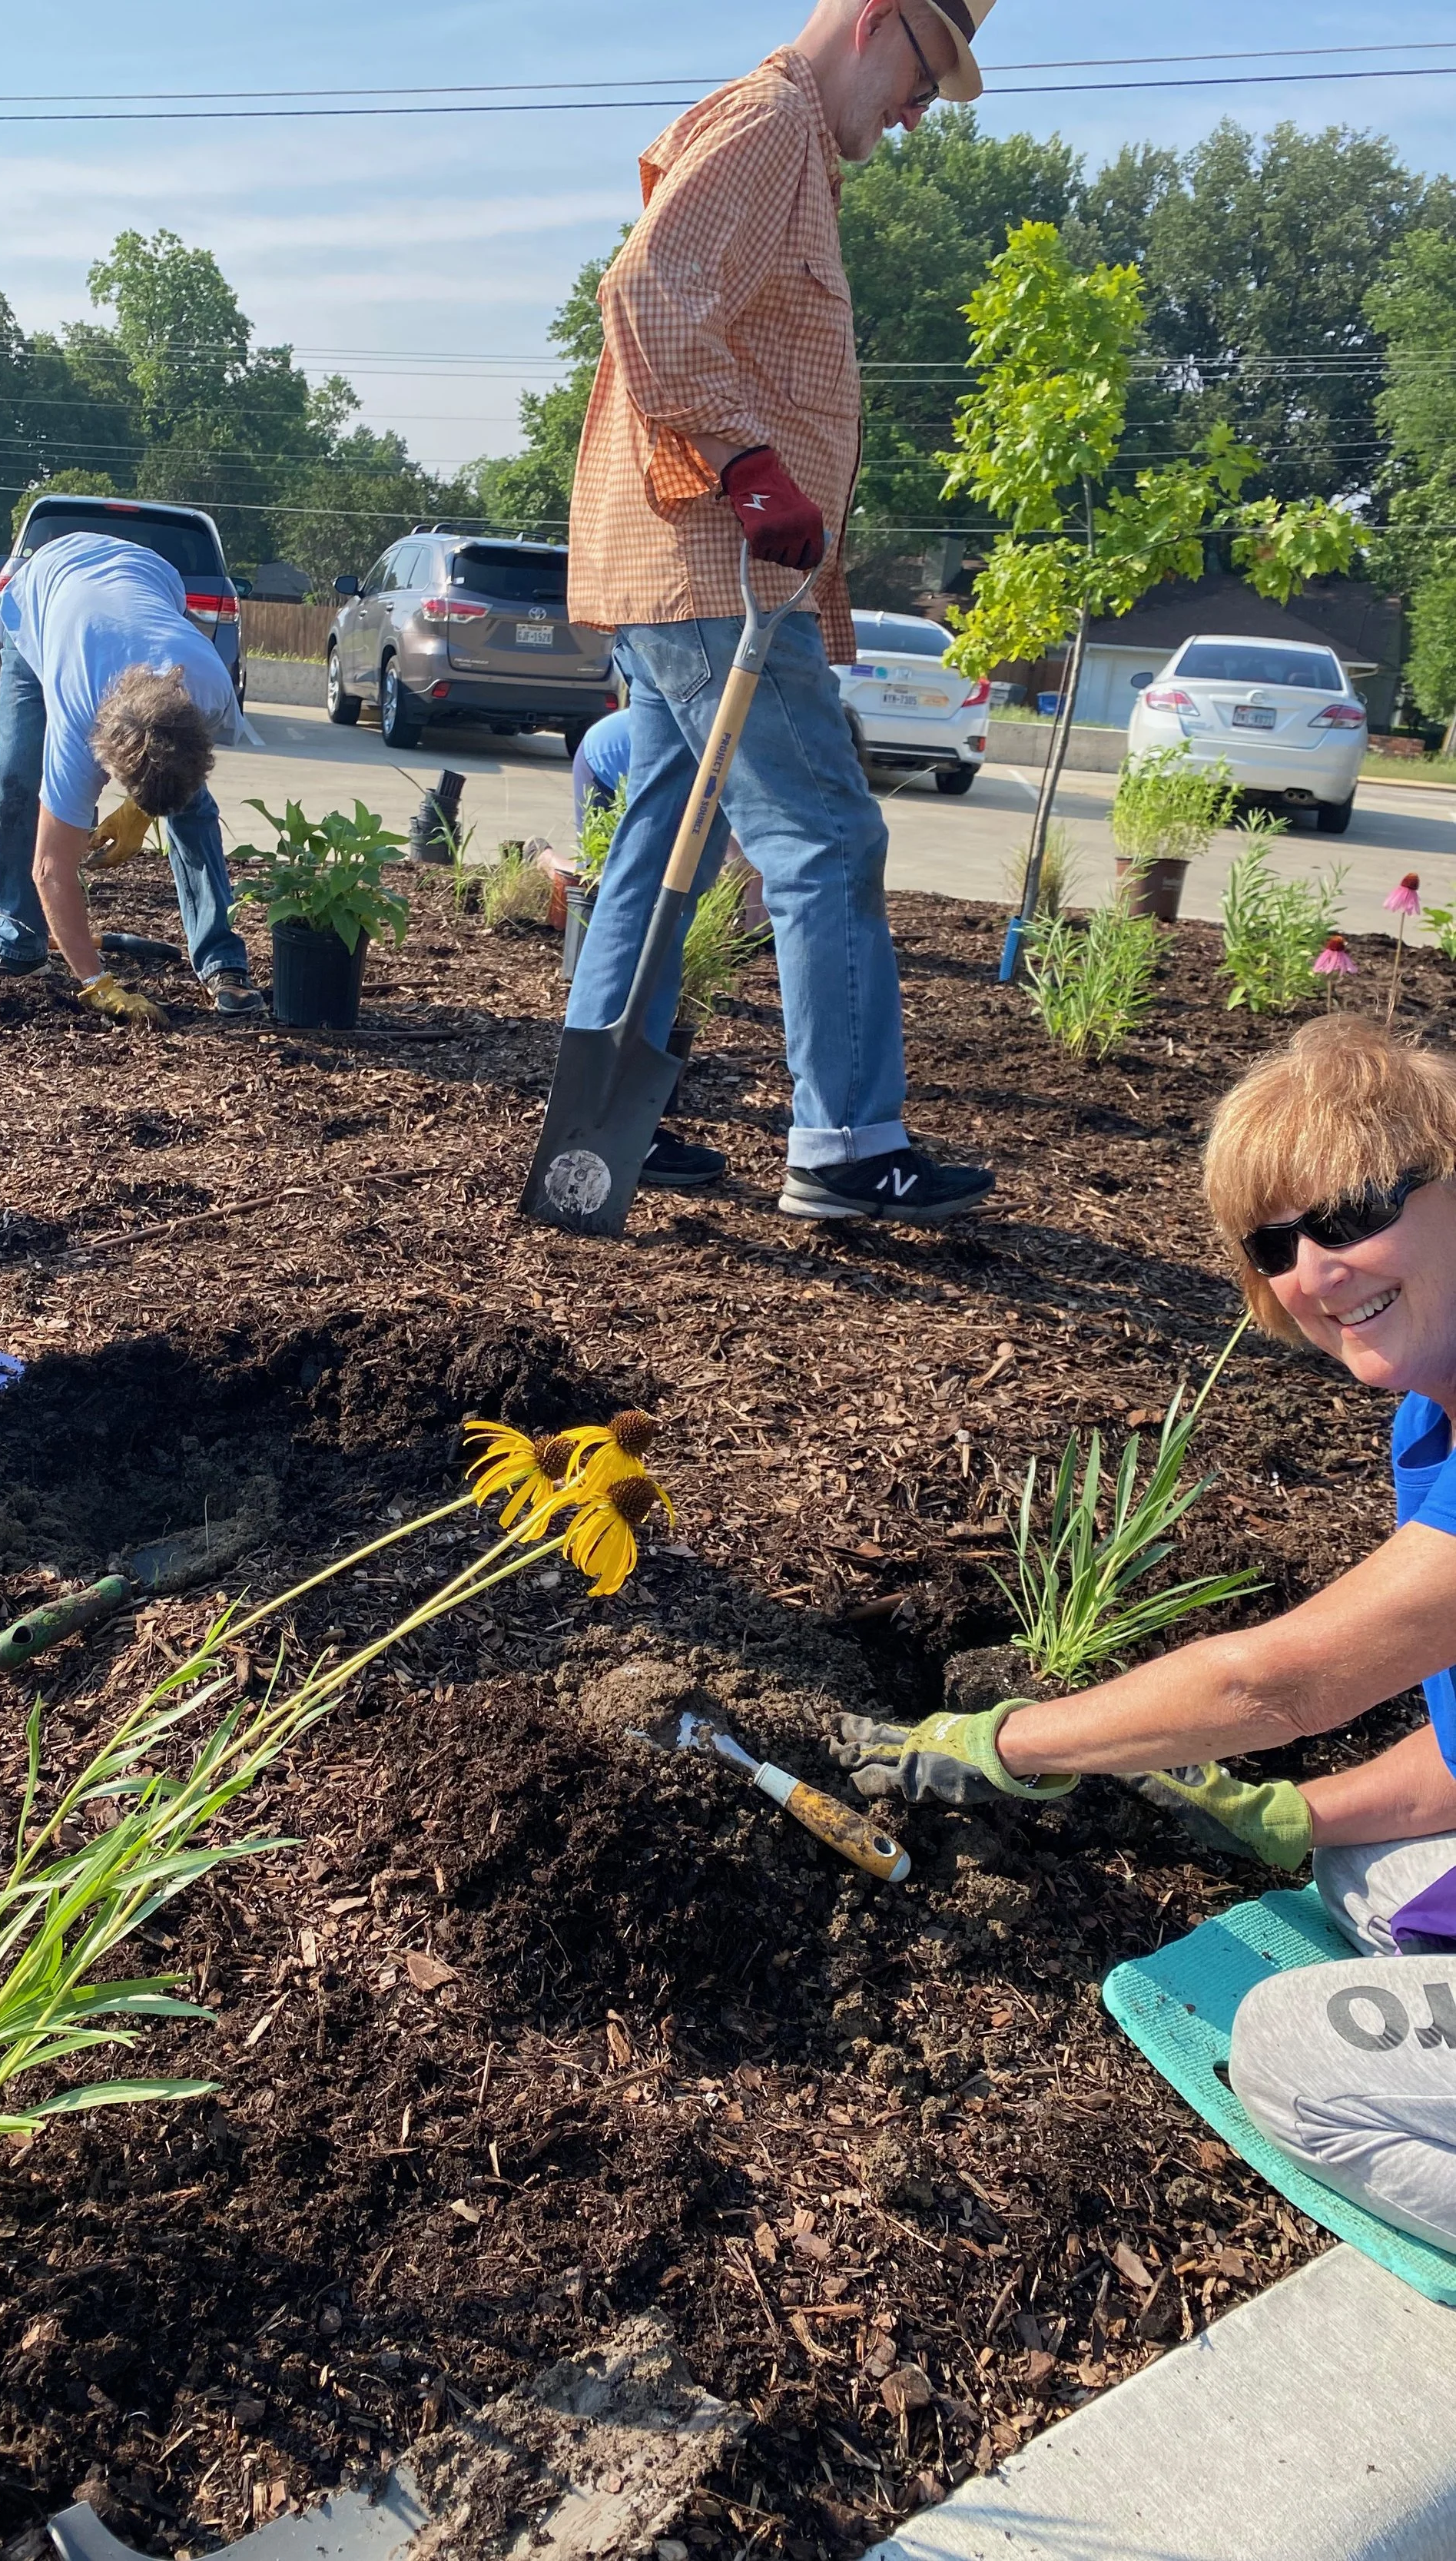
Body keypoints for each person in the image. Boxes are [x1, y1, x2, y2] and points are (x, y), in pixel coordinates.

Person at [836, 1016, 1456, 2250]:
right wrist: (1292, 1814)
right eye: (1276, 1243)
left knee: (1292, 2058)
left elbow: (1276, 1685)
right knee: (1361, 1870)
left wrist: (1010, 1740)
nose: (1314, 1270)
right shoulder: (1431, 1418)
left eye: (1354, 1210)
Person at [564, 0, 997, 1219]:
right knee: (827, 835)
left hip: (682, 574)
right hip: (715, 572)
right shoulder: (766, 126)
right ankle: (848, 1144)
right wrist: (753, 465)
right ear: (876, 22)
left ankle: (598, 1128)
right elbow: (642, 289)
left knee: (660, 844)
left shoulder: (793, 149)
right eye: (927, 72)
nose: (921, 110)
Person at [0, 530, 263, 1021]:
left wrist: (142, 809)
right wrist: (97, 986)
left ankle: (221, 959)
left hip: (147, 575)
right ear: (102, 759)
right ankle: (18, 942)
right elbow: (51, 869)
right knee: (16, 782)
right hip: (40, 596)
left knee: (192, 805)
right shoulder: (77, 720)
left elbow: (188, 764)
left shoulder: (209, 685)